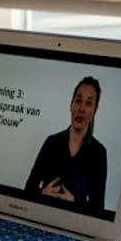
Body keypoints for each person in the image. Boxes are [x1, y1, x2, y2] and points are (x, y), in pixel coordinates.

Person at [23, 76, 108, 211]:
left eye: (88, 103)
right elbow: (28, 189)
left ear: (95, 110)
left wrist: (75, 203)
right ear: (71, 104)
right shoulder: (51, 142)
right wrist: (43, 193)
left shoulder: (99, 153)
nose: (81, 108)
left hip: (73, 222)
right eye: (78, 101)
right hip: (42, 214)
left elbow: (98, 208)